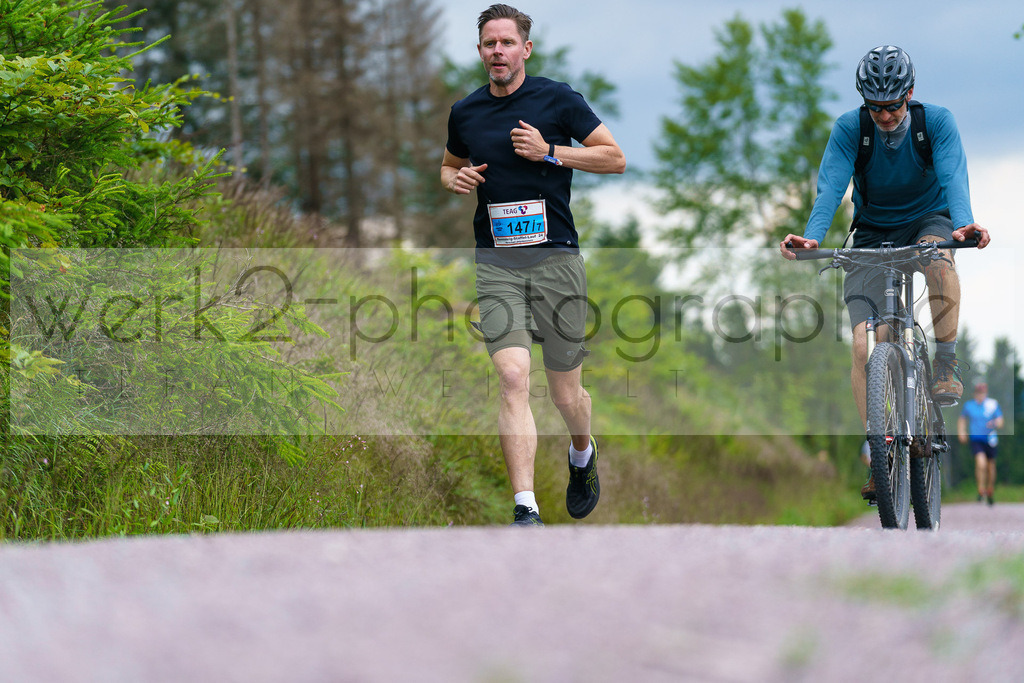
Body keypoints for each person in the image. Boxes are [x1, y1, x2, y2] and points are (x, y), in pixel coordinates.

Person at [440, 4, 626, 526]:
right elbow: (448, 165)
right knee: (513, 375)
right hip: (496, 264)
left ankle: (582, 454)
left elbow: (615, 158)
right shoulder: (466, 112)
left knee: (567, 394)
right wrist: (453, 181)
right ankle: (525, 508)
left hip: (557, 261)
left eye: (506, 42)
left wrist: (551, 153)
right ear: (479, 51)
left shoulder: (557, 99)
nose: (496, 51)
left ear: (525, 48)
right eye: (488, 44)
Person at [780, 45, 991, 500]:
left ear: (909, 94)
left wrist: (963, 225)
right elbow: (831, 184)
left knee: (938, 259)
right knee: (866, 345)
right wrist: (813, 236)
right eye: (875, 107)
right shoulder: (850, 129)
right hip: (872, 232)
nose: (886, 115)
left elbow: (954, 174)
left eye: (893, 105)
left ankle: (946, 361)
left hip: (929, 220)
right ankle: (882, 451)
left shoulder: (936, 122)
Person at [958, 382, 1004, 505]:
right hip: (976, 439)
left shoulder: (992, 404)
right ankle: (980, 488)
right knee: (981, 463)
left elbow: (1000, 421)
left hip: (990, 439)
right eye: (978, 393)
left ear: (986, 393)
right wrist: (961, 431)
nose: (980, 395)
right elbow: (962, 419)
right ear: (975, 393)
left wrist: (994, 423)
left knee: (990, 467)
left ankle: (990, 489)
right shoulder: (969, 405)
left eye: (982, 393)